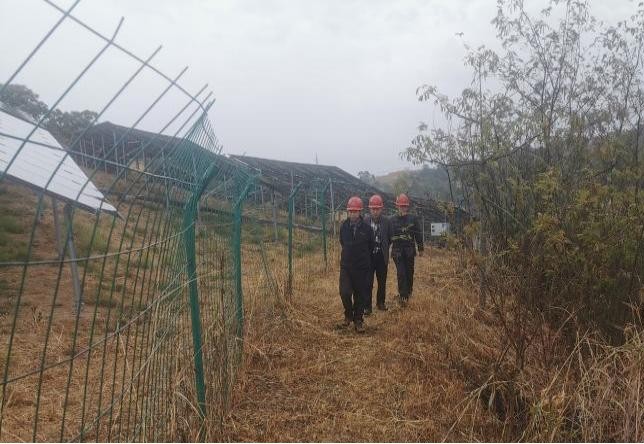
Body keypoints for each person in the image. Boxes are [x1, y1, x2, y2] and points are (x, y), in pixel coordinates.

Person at [339, 196, 374, 333]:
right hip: (346, 266)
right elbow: (342, 242)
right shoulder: (343, 227)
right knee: (345, 292)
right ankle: (348, 314)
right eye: (350, 211)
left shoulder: (367, 229)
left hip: (361, 267)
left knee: (360, 295)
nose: (353, 214)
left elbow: (371, 246)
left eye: (355, 211)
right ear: (348, 212)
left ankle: (358, 320)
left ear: (360, 212)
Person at [390, 193, 424, 306]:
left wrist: (421, 248)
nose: (403, 208)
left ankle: (409, 292)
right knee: (401, 273)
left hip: (409, 251)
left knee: (409, 272)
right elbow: (388, 236)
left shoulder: (413, 219)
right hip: (397, 252)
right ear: (397, 206)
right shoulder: (392, 220)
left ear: (407, 206)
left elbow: (418, 234)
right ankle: (403, 296)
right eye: (401, 206)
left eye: (404, 206)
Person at [363, 194, 393, 314]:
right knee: (367, 282)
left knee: (382, 282)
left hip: (381, 256)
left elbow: (390, 238)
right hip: (369, 257)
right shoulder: (365, 221)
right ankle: (367, 307)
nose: (375, 211)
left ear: (381, 209)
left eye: (377, 209)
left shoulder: (387, 221)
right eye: (373, 209)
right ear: (369, 209)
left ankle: (381, 303)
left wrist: (384, 247)